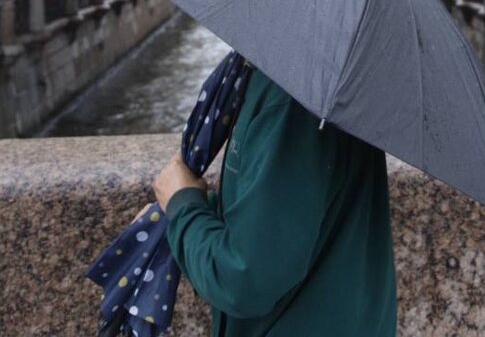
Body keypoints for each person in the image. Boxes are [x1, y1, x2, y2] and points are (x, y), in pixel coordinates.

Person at [151, 65, 397, 336]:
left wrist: (184, 209)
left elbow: (244, 282)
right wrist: (184, 209)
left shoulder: (291, 97)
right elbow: (283, 206)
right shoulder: (321, 73)